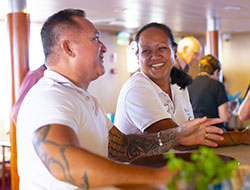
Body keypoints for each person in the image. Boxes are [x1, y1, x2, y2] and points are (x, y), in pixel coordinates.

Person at [16, 10, 224, 190]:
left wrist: (176, 136)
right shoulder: (49, 96)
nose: (104, 47)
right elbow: (66, 163)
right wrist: (155, 178)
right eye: (95, 39)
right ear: (68, 48)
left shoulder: (84, 98)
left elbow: (122, 147)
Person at [114, 23, 250, 149]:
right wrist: (242, 136)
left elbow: (191, 134)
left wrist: (243, 136)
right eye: (146, 51)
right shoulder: (137, 89)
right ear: (137, 56)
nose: (155, 56)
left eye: (161, 48)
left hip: (168, 168)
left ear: (174, 51)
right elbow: (181, 140)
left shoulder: (178, 85)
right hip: (138, 172)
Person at [188, 55, 232, 129]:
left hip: (194, 132)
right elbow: (225, 117)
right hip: (214, 132)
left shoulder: (188, 84)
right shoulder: (217, 85)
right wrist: (232, 110)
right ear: (216, 72)